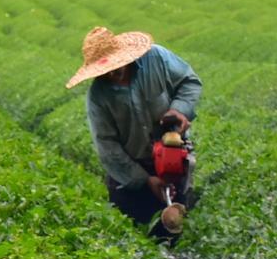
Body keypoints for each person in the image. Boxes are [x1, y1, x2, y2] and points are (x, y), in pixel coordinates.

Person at [67, 26, 203, 241]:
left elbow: (189, 82)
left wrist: (179, 110)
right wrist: (146, 180)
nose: (111, 73)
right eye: (105, 70)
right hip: (130, 173)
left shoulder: (157, 58)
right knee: (136, 237)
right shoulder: (98, 97)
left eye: (115, 66)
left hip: (172, 159)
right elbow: (108, 147)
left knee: (177, 229)